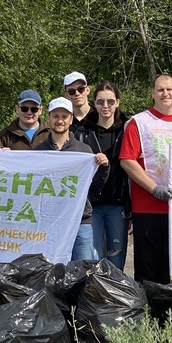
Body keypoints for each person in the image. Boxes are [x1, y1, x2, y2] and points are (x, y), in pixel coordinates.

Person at [119, 73, 172, 284]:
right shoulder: (139, 122)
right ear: (153, 93)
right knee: (148, 269)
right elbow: (127, 160)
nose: (165, 94)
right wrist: (154, 188)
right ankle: (149, 316)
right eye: (160, 89)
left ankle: (169, 316)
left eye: (169, 89)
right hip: (147, 207)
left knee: (171, 270)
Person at [37, 97, 108, 261]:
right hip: (49, 222)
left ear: (71, 120)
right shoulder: (39, 151)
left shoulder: (84, 150)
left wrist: (104, 167)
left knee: (83, 272)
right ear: (49, 118)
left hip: (80, 222)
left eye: (64, 116)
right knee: (50, 269)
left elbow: (95, 187)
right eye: (56, 116)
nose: (60, 120)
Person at [76, 81, 130, 270]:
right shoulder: (82, 133)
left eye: (110, 101)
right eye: (100, 102)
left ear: (118, 103)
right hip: (92, 206)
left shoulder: (128, 131)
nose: (105, 106)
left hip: (118, 204)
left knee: (116, 258)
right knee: (93, 258)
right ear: (94, 103)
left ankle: (115, 297)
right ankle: (95, 298)